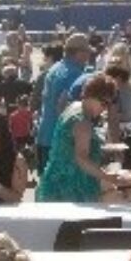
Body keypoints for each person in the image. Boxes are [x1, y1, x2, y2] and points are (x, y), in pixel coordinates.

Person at [36, 74, 120, 202]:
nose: (105, 108)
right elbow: (81, 158)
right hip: (71, 188)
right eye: (104, 103)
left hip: (54, 182)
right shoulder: (82, 122)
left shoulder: (74, 107)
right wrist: (107, 176)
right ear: (90, 96)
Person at [35, 33, 91, 168]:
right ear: (79, 53)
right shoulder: (74, 74)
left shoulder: (54, 69)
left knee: (45, 186)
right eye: (87, 52)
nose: (89, 56)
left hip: (44, 136)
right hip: (60, 142)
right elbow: (64, 107)